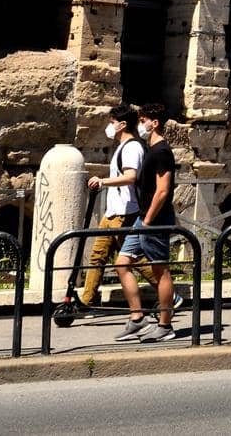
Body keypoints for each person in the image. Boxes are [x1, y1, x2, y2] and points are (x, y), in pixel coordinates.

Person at [115, 101, 178, 343]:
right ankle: (137, 317)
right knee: (122, 263)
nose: (140, 125)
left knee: (160, 270)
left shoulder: (162, 151)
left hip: (154, 219)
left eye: (143, 121)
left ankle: (165, 325)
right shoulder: (151, 149)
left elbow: (162, 190)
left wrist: (149, 220)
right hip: (144, 217)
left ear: (155, 123)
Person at [81, 105, 146, 311]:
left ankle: (169, 295)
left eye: (111, 122)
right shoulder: (121, 146)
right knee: (97, 255)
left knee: (132, 259)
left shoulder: (132, 147)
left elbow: (130, 176)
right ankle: (87, 301)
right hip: (113, 211)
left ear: (123, 124)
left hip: (125, 211)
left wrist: (103, 181)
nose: (109, 126)